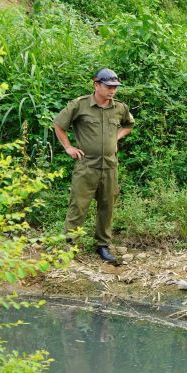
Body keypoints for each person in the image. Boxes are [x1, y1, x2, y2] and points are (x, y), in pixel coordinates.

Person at [53, 68, 134, 264]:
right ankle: (69, 246)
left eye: (115, 87)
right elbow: (58, 125)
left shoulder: (120, 108)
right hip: (86, 165)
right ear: (96, 85)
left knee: (107, 206)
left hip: (110, 166)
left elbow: (128, 125)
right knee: (78, 206)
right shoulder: (79, 105)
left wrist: (116, 137)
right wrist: (68, 147)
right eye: (109, 86)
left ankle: (102, 246)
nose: (112, 90)